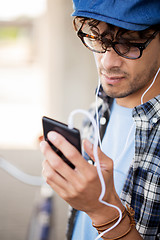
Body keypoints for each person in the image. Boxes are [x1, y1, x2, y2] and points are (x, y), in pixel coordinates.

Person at [40, 0, 160, 239]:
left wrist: (103, 213)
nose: (107, 62)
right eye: (97, 38)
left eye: (128, 44)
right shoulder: (103, 100)